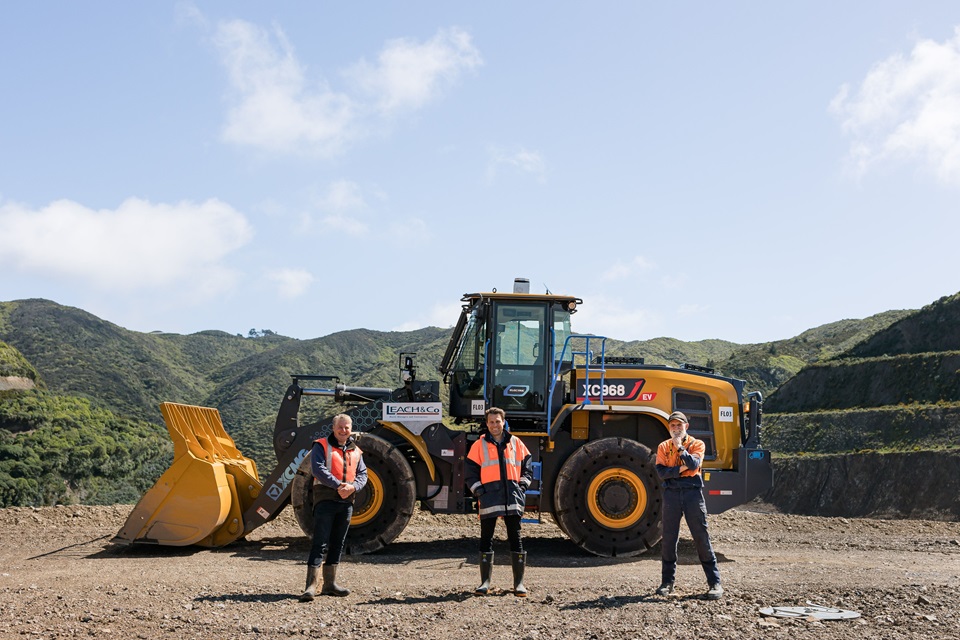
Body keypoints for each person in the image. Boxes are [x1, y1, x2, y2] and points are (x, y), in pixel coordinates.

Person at [465, 407, 533, 597]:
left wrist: (522, 487)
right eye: (491, 422)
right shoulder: (479, 445)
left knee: (516, 538)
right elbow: (470, 472)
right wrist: (479, 491)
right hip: (490, 497)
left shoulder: (516, 443)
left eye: (498, 421)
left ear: (504, 422)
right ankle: (484, 583)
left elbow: (527, 466)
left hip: (512, 497)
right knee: (486, 538)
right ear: (487, 424)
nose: (495, 425)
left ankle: (519, 584)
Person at [654, 411, 723, 600]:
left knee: (701, 537)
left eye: (679, 425)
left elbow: (693, 464)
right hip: (671, 494)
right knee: (668, 538)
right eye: (672, 426)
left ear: (686, 426)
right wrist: (681, 469)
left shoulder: (697, 444)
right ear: (669, 428)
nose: (676, 429)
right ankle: (667, 582)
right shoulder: (662, 447)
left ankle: (714, 583)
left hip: (693, 493)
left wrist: (680, 449)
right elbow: (661, 472)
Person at [300, 413, 367, 601]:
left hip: (346, 501)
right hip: (325, 499)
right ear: (333, 428)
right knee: (320, 541)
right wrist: (339, 485)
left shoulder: (357, 451)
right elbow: (318, 469)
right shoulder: (321, 445)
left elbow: (363, 474)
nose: (344, 431)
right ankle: (311, 586)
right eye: (340, 427)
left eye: (347, 427)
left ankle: (330, 584)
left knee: (338, 543)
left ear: (351, 429)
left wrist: (353, 487)